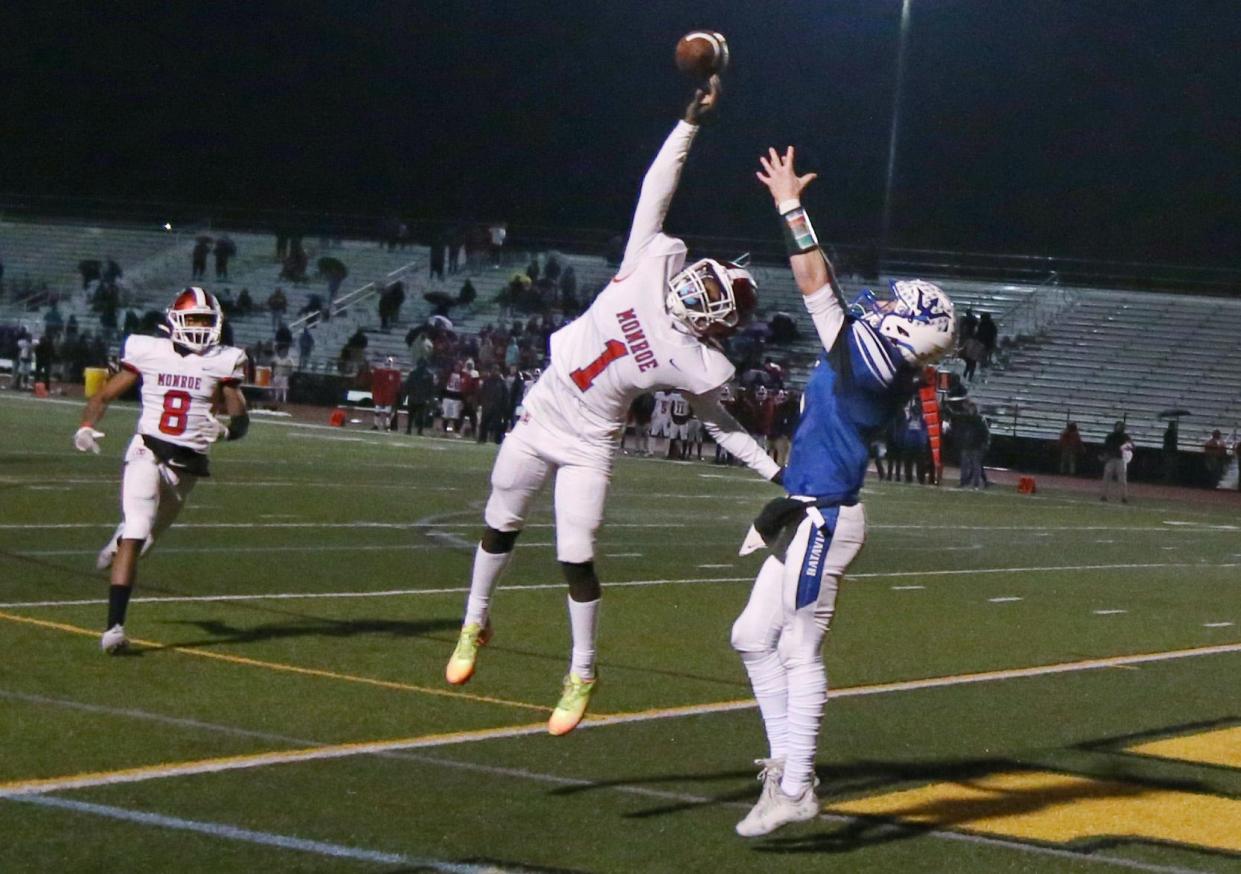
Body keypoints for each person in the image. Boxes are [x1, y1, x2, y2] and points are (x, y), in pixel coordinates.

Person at [444, 76, 781, 736]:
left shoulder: (685, 339)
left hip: (586, 440)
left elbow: (719, 423)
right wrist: (688, 123)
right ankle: (473, 621)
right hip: (544, 411)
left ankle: (582, 669)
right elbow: (657, 188)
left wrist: (773, 472)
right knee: (498, 520)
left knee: (575, 552)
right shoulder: (652, 279)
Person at [731, 146, 955, 837]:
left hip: (825, 520)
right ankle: (784, 766)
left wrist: (788, 205)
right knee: (750, 637)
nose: (881, 305)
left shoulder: (867, 366)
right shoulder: (870, 359)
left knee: (799, 647)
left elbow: (810, 279)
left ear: (906, 328)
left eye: (895, 306)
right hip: (802, 511)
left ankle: (796, 786)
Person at [73, 288, 249, 653]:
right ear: (174, 320)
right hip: (148, 450)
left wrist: (227, 430)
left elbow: (241, 420)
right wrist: (86, 427)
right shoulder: (148, 351)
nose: (199, 328)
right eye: (194, 319)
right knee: (138, 528)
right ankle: (114, 629)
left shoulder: (224, 361)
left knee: (145, 542)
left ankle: (119, 541)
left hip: (188, 464)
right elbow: (104, 395)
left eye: (206, 320)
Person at [1100, 420, 1133, 503]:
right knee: (1107, 478)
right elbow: (1106, 447)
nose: (1119, 428)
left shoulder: (1125, 437)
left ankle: (1124, 496)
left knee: (1122, 479)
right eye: (1118, 426)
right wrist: (1106, 456)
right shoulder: (1110, 436)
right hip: (1111, 459)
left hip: (1120, 459)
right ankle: (1104, 495)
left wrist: (1126, 447)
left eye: (1121, 426)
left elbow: (1131, 446)